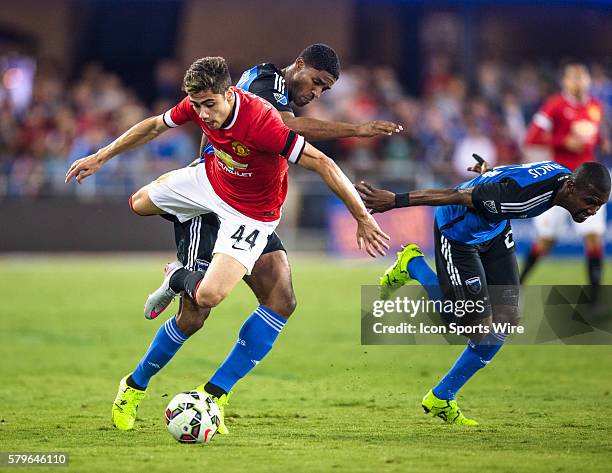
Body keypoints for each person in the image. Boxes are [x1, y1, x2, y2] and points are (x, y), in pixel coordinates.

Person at [65, 56, 390, 432]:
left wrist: (363, 217)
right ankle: (167, 309)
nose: (203, 114)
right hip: (208, 182)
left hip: (250, 216)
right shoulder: (204, 101)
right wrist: (101, 156)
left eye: (210, 105)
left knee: (229, 302)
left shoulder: (263, 120)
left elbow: (325, 164)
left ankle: (176, 386)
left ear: (229, 93)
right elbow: (155, 125)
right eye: (197, 106)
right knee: (139, 205)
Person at [356, 158, 611, 425]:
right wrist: (395, 200)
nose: (593, 210)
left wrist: (489, 174)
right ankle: (413, 264)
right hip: (458, 234)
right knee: (470, 326)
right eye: (590, 201)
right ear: (571, 187)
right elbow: (455, 194)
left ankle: (441, 397)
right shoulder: (519, 196)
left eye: (600, 205)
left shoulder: (560, 176)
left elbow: (515, 174)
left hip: (495, 232)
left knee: (506, 320)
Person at [520, 63, 610, 303]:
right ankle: (517, 285)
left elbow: (596, 134)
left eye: (583, 77)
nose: (580, 82)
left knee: (593, 236)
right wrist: (563, 141)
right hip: (560, 181)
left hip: (589, 182)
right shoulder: (555, 105)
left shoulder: (595, 106)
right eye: (575, 78)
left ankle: (595, 299)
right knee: (546, 241)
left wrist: (603, 142)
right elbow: (532, 137)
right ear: (566, 81)